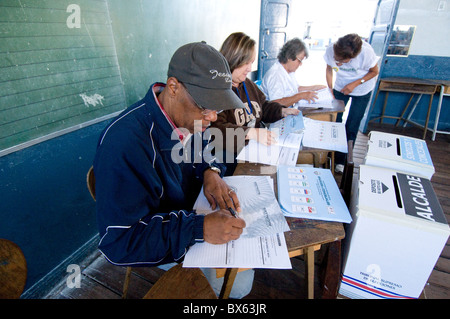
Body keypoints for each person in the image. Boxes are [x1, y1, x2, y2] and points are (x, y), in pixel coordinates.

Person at [93, 42, 250, 296]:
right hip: (165, 235)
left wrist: (211, 171)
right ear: (174, 87)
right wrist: (198, 229)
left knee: (242, 273)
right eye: (206, 106)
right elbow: (119, 243)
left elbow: (204, 151)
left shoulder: (193, 117)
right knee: (237, 285)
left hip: (189, 215)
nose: (212, 117)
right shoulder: (124, 143)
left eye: (218, 107)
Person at [212, 32, 299, 174]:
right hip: (231, 162)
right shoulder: (217, 91)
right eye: (246, 63)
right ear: (232, 60)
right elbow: (216, 131)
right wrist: (251, 133)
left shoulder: (247, 84)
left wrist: (281, 111)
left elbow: (263, 106)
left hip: (256, 153)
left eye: (251, 62)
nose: (250, 68)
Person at [324, 33, 379, 172]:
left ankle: (341, 161)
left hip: (362, 89)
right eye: (337, 60)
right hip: (340, 87)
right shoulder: (331, 49)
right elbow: (329, 69)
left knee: (352, 125)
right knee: (334, 121)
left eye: (343, 62)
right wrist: (330, 88)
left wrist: (355, 84)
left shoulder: (366, 53)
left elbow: (374, 71)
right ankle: (329, 156)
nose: (339, 64)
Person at [261, 37, 326, 107]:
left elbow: (295, 89)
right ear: (289, 57)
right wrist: (301, 96)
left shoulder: (289, 71)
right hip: (276, 116)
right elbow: (276, 103)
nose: (300, 64)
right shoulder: (276, 74)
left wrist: (313, 88)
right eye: (300, 60)